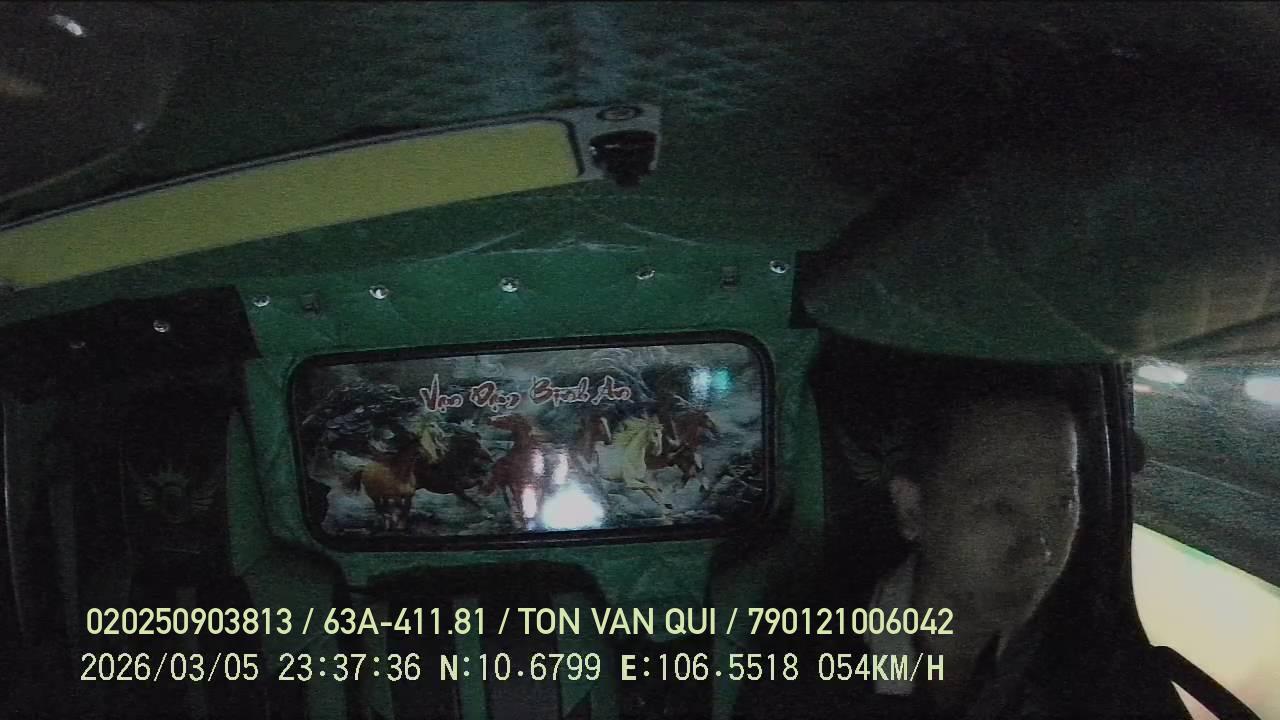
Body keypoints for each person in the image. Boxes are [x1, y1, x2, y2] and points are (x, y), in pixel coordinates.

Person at [735, 363, 1088, 719]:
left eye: (1063, 502)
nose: (1039, 552)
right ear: (912, 509)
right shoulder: (808, 673)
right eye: (1001, 506)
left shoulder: (1083, 654)